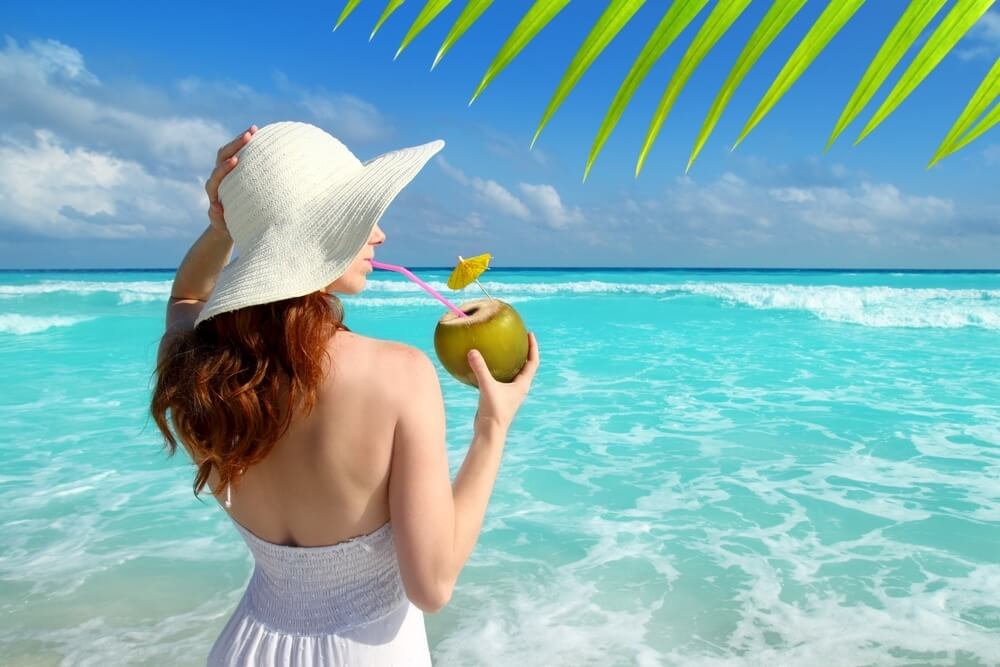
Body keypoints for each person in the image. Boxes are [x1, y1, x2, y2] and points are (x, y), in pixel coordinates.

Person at [149, 121, 540, 666]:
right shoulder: (400, 374)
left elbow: (189, 295)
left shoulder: (199, 369)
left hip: (249, 647)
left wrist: (223, 228)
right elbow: (431, 586)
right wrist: (492, 427)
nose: (378, 234)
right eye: (359, 217)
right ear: (314, 237)